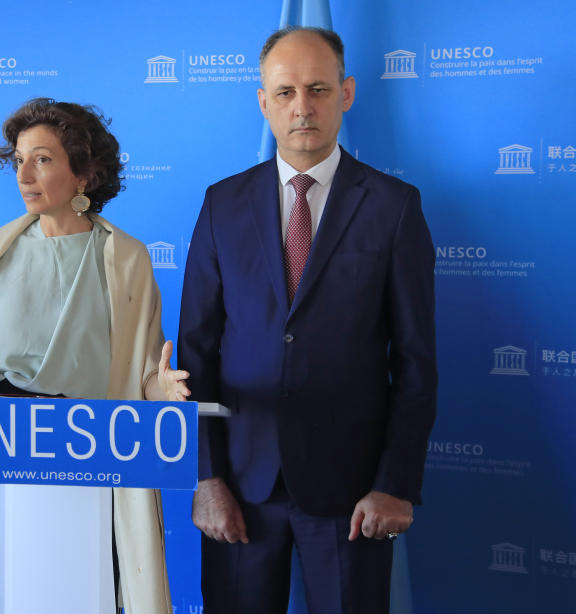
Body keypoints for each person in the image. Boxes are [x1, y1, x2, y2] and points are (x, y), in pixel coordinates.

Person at [178, 27, 437, 614]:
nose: (303, 106)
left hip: (354, 494)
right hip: (241, 489)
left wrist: (395, 482)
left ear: (346, 93)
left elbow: (417, 361)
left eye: (318, 88)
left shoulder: (395, 207)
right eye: (287, 90)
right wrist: (207, 477)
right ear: (264, 102)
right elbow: (194, 350)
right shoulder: (222, 204)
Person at [0, 97, 187, 614]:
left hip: (95, 449)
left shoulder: (127, 258)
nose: (24, 175)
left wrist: (162, 390)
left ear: (84, 172)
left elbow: (142, 370)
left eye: (43, 159)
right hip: (5, 447)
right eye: (18, 161)